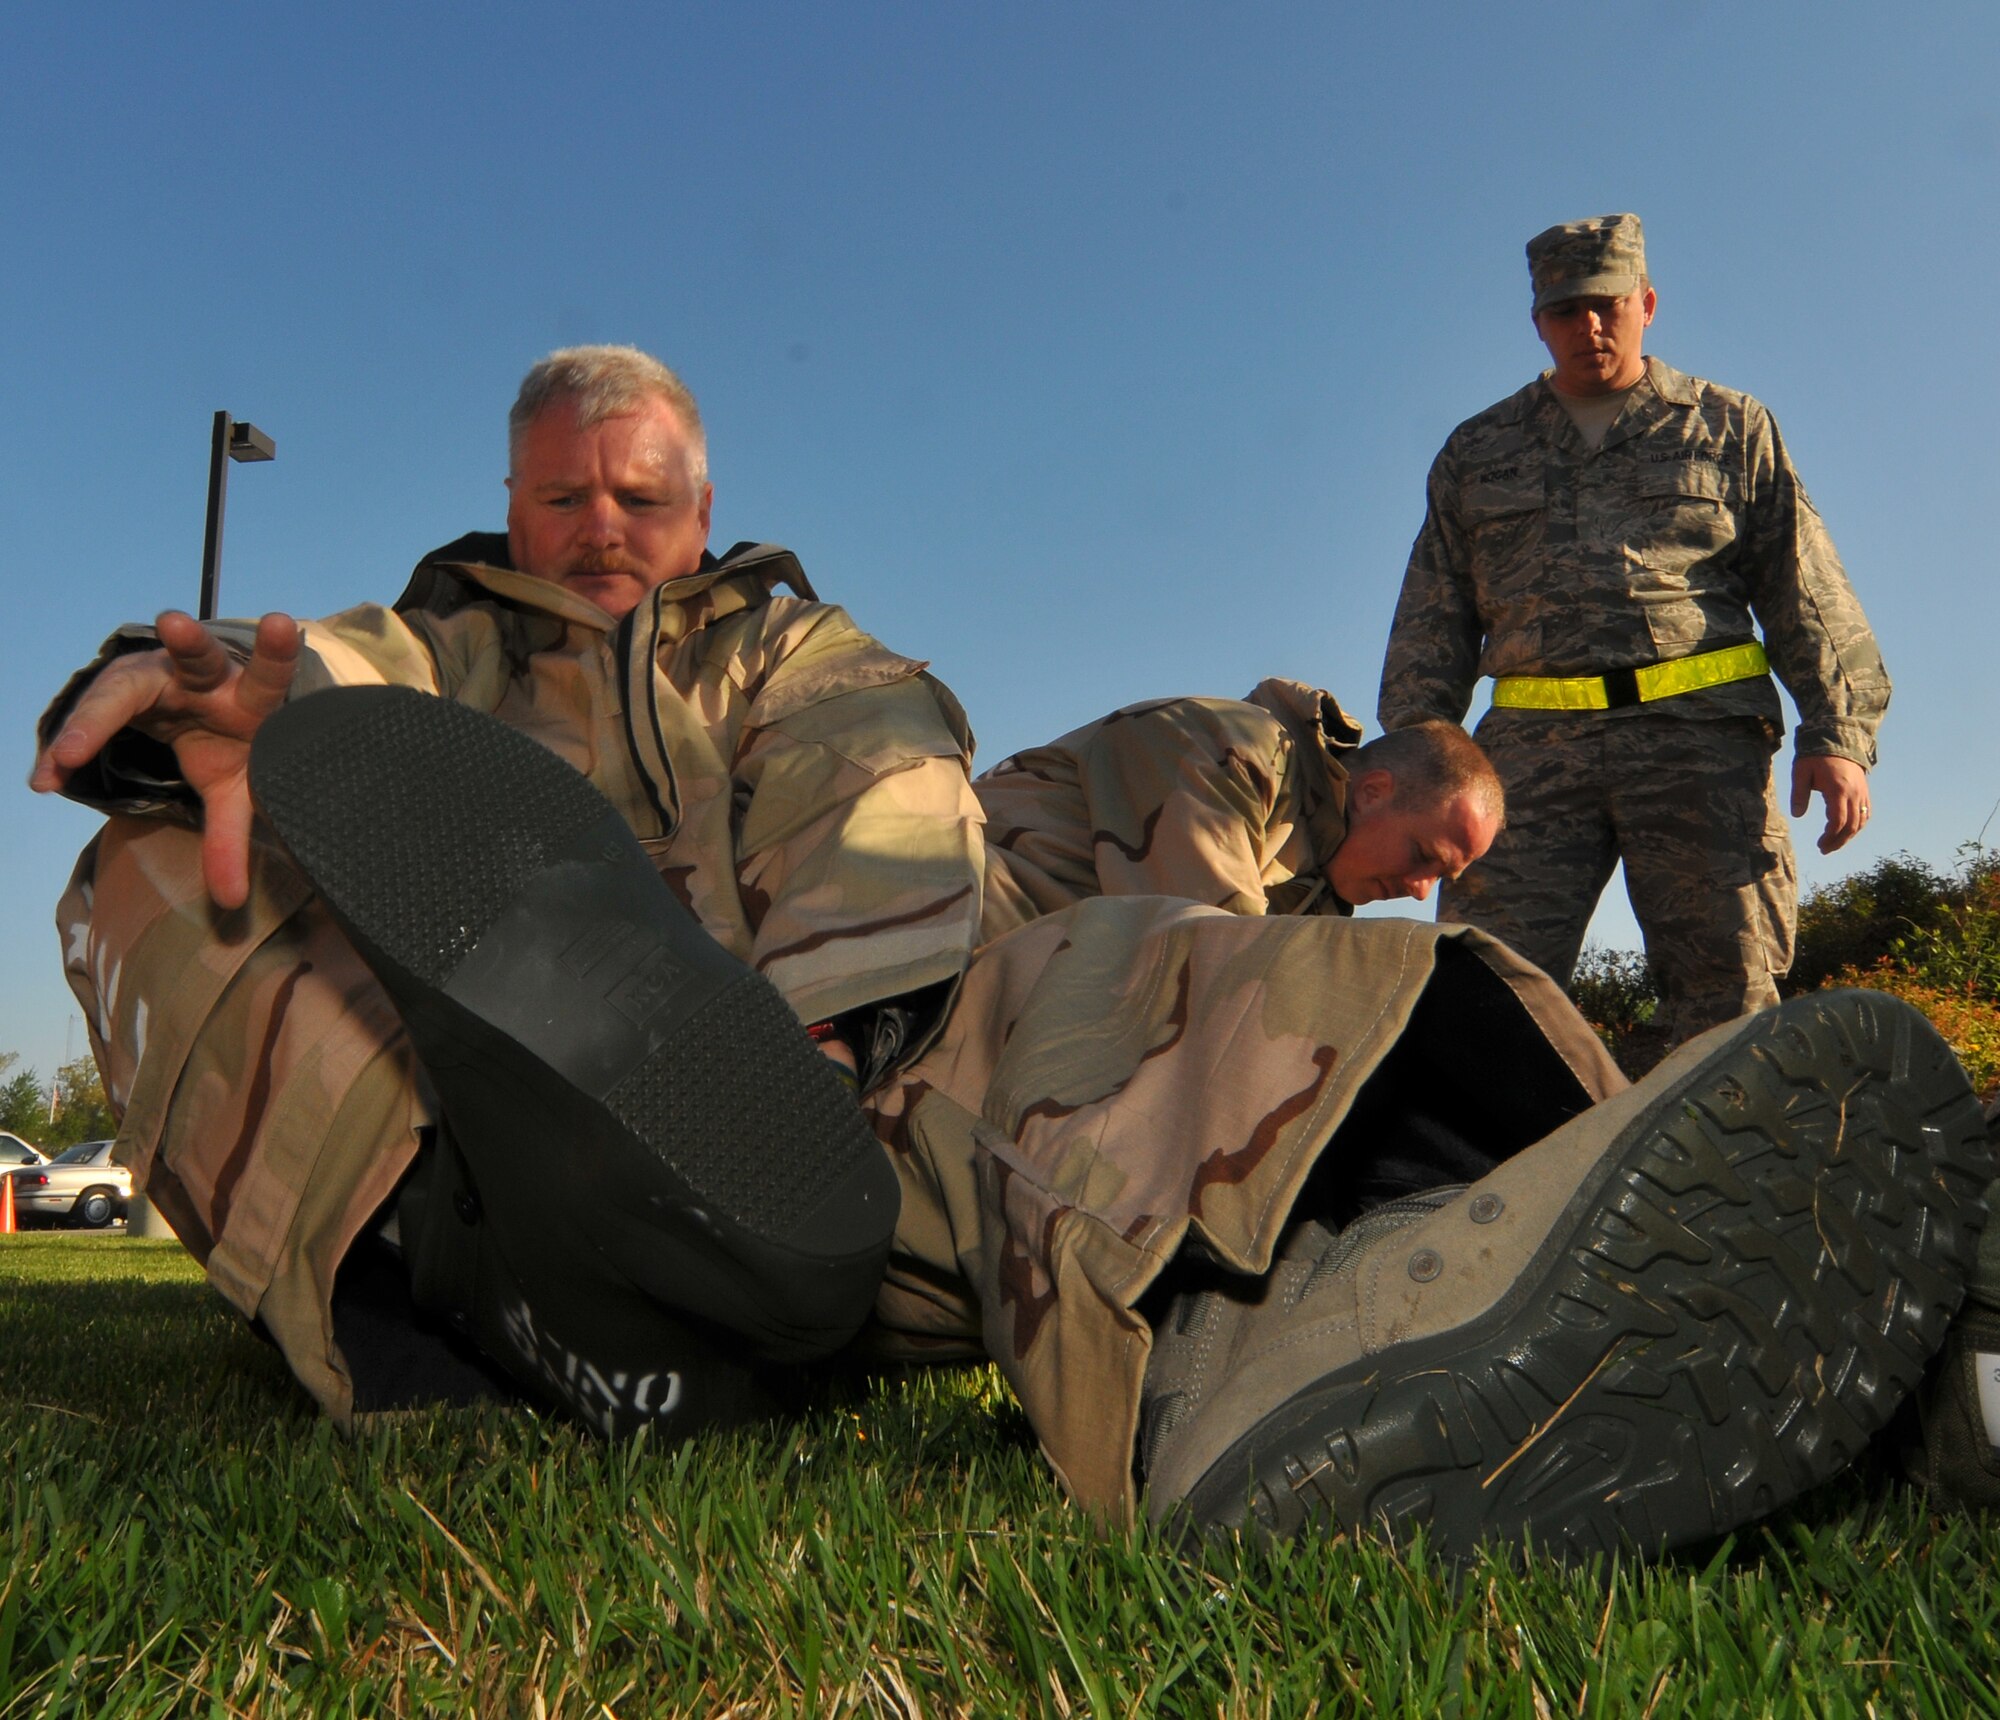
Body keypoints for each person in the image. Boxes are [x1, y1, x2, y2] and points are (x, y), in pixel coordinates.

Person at [33, 348, 1988, 1566]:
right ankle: (502, 1270)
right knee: (161, 859)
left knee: (1065, 996)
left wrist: (815, 1028)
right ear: (513, 499)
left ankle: (1536, 1259)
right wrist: (216, 698)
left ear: (704, 511)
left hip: (822, 1144)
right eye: (568, 493)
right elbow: (336, 675)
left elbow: (875, 759)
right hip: (451, 1188)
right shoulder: (425, 655)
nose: (608, 526)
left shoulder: (793, 655)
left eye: (646, 496)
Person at [1378, 214, 1890, 1059]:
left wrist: (1839, 735)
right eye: (1565, 309)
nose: (1589, 326)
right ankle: (1479, 1183)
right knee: (1478, 991)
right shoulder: (1477, 451)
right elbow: (1431, 618)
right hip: (1527, 765)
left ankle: (1734, 1178)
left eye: (1608, 304)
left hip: (1700, 749)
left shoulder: (1728, 426)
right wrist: (1411, 765)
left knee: (1730, 995)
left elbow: (1805, 586)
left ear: (1645, 304)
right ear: (1537, 322)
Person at [974, 680, 1503, 940]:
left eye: (1441, 878)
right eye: (1423, 856)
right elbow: (1209, 961)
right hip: (935, 931)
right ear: (1372, 792)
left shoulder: (1320, 884)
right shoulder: (1231, 749)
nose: (1419, 890)